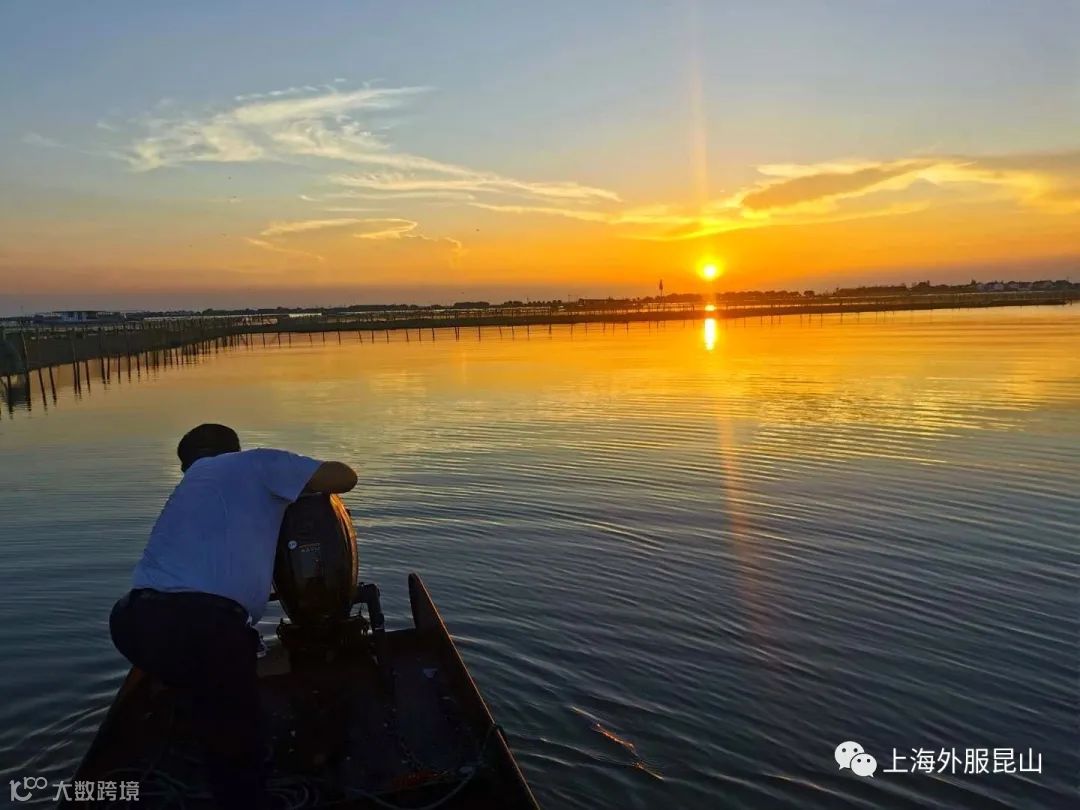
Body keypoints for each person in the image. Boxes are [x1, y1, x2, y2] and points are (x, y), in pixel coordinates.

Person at [109, 423, 358, 810]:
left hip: (133, 623)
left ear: (187, 465)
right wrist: (296, 483)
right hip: (207, 629)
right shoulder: (256, 464)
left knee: (207, 688)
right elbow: (345, 477)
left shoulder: (190, 489)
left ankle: (195, 727)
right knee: (238, 754)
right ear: (234, 450)